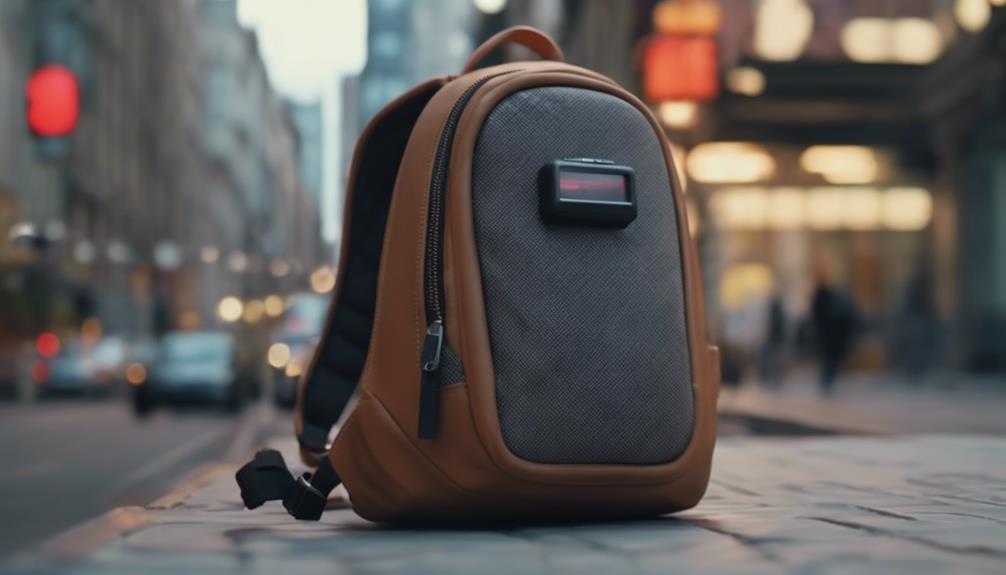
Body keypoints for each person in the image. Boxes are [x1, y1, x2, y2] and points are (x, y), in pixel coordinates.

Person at [810, 275, 859, 395]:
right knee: (830, 360)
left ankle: (827, 382)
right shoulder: (830, 299)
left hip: (830, 336)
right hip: (830, 337)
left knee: (829, 360)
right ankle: (827, 382)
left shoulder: (829, 300)